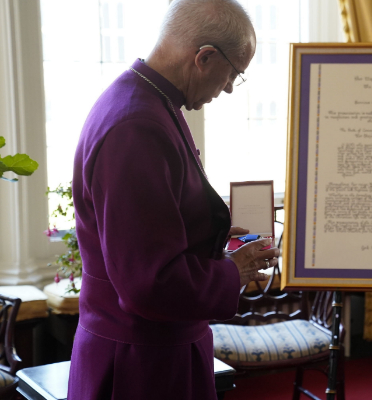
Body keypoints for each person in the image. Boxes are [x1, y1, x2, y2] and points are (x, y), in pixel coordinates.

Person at [68, 1, 277, 399]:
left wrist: (205, 237)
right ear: (205, 57)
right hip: (141, 363)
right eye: (234, 73)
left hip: (149, 348)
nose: (231, 87)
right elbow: (148, 283)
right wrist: (234, 271)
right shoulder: (135, 125)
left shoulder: (146, 99)